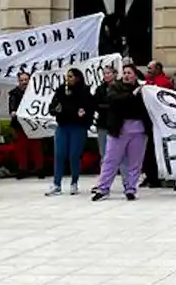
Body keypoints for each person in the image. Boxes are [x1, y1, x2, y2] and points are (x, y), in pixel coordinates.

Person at [92, 64, 149, 201]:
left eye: (129, 72)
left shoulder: (144, 89)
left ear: (135, 75)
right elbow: (115, 101)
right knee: (110, 160)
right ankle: (103, 188)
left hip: (139, 130)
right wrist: (132, 94)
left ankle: (130, 188)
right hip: (119, 129)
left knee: (134, 162)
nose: (126, 75)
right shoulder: (115, 88)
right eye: (124, 73)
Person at [48, 67, 92, 196]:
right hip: (63, 126)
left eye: (71, 76)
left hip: (77, 127)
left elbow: (89, 108)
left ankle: (74, 182)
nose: (68, 79)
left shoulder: (84, 91)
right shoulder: (61, 90)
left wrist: (84, 114)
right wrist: (56, 109)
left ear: (78, 78)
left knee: (74, 155)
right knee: (59, 154)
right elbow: (52, 107)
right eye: (67, 76)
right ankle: (56, 184)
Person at [6, 71, 46, 178]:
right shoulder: (14, 93)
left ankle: (40, 169)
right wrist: (13, 111)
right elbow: (12, 105)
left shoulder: (36, 91)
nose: (24, 82)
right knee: (21, 148)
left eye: (26, 80)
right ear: (18, 81)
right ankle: (22, 169)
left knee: (36, 147)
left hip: (34, 124)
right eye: (22, 80)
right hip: (19, 125)